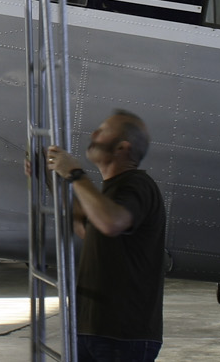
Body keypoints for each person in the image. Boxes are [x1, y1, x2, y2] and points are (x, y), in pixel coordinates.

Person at [46, 110, 166, 362]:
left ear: (122, 147)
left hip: (122, 337)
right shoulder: (111, 192)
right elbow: (84, 226)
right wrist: (48, 177)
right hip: (94, 331)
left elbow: (111, 222)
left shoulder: (137, 185)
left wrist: (75, 175)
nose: (94, 134)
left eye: (103, 130)